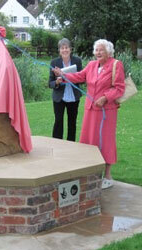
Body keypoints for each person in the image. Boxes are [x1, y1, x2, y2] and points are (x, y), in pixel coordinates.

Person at [53, 39, 125, 189]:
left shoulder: (116, 65)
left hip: (107, 111)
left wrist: (105, 97)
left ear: (109, 52)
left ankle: (108, 176)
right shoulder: (92, 65)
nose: (98, 53)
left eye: (101, 50)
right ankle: (92, 173)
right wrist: (63, 75)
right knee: (88, 140)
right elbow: (79, 76)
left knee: (105, 141)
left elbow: (119, 88)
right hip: (91, 109)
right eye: (96, 50)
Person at [49, 38, 82, 142]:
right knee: (58, 121)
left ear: (70, 49)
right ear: (59, 50)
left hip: (73, 96)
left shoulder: (77, 61)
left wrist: (71, 77)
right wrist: (57, 82)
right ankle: (56, 144)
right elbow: (50, 83)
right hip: (59, 97)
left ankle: (71, 144)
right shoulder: (54, 62)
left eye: (66, 47)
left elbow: (82, 78)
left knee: (72, 122)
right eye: (62, 48)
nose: (65, 50)